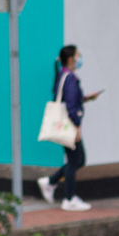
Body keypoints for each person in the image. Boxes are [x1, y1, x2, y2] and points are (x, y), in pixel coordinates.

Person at [41, 44, 98, 208]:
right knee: (76, 161)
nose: (80, 59)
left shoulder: (63, 75)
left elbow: (69, 100)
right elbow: (71, 105)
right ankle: (69, 198)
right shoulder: (70, 78)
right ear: (71, 59)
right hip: (70, 125)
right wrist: (77, 127)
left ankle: (50, 182)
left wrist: (86, 98)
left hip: (64, 123)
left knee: (77, 160)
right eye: (78, 55)